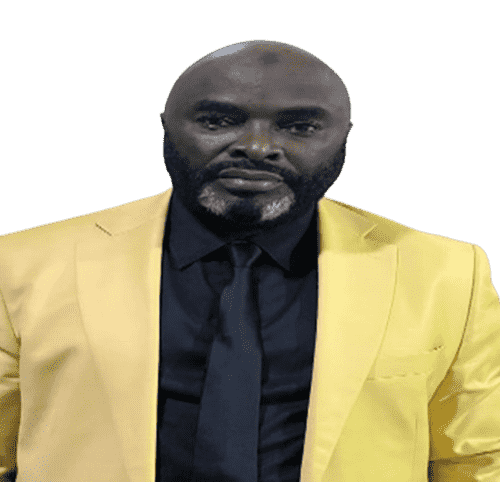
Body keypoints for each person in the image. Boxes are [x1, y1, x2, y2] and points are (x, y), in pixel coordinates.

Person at [0, 39, 499, 482]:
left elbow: (479, 459)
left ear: (344, 138)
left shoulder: (446, 273)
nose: (257, 148)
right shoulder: (21, 265)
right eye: (218, 121)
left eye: (300, 126)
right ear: (166, 128)